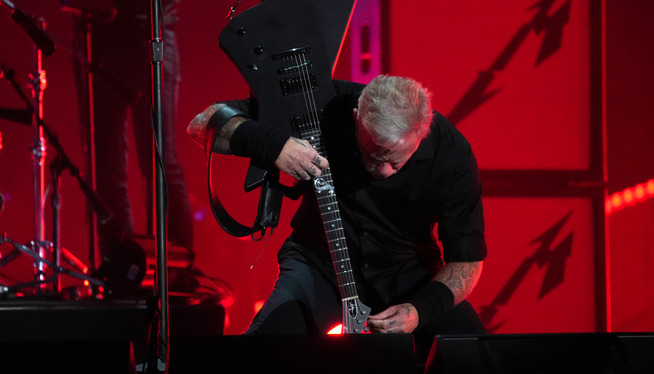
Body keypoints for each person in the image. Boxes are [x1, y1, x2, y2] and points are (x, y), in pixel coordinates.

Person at [188, 75, 486, 338]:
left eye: (396, 161)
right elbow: (202, 125)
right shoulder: (324, 105)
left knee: (474, 354)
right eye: (375, 154)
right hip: (319, 262)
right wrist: (274, 144)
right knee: (265, 349)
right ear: (358, 118)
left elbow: (467, 263)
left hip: (408, 273)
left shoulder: (451, 154)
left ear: (422, 132)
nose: (384, 171)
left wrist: (420, 310)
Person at [74, 0, 192, 285]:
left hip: (149, 30)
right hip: (99, 28)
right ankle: (121, 267)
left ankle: (179, 271)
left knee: (158, 160)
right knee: (104, 164)